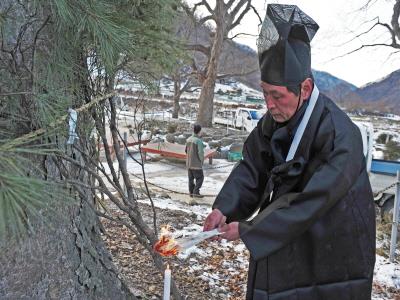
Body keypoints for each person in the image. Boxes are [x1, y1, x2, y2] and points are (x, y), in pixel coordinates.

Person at [203, 4, 375, 300]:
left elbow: (312, 199)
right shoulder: (275, 119)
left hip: (333, 244)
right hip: (287, 229)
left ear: (305, 88)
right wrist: (225, 209)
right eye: (265, 92)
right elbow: (253, 167)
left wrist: (250, 229)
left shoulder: (340, 136)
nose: (269, 104)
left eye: (277, 95)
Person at [185, 124, 205, 198]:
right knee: (200, 178)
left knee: (191, 179)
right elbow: (200, 153)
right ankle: (196, 192)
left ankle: (191, 192)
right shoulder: (198, 141)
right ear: (199, 131)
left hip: (189, 163)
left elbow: (186, 150)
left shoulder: (188, 139)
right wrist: (201, 161)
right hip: (196, 164)